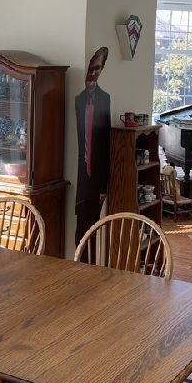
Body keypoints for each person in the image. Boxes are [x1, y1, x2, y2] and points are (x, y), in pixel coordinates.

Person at [74, 46, 111, 246]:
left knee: (93, 227)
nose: (94, 73)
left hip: (96, 178)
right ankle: (77, 261)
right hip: (81, 176)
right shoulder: (78, 100)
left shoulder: (105, 99)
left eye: (98, 68)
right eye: (91, 68)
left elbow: (105, 145)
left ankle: (89, 263)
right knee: (79, 227)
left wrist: (104, 186)